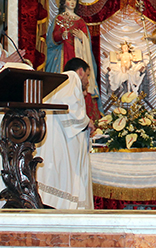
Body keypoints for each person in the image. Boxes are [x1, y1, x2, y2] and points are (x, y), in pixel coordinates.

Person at [36, 57, 95, 209]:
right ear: (80, 72)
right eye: (88, 75)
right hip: (61, 143)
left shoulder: (61, 82)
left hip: (60, 139)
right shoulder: (70, 77)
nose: (88, 81)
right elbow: (66, 103)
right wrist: (86, 121)